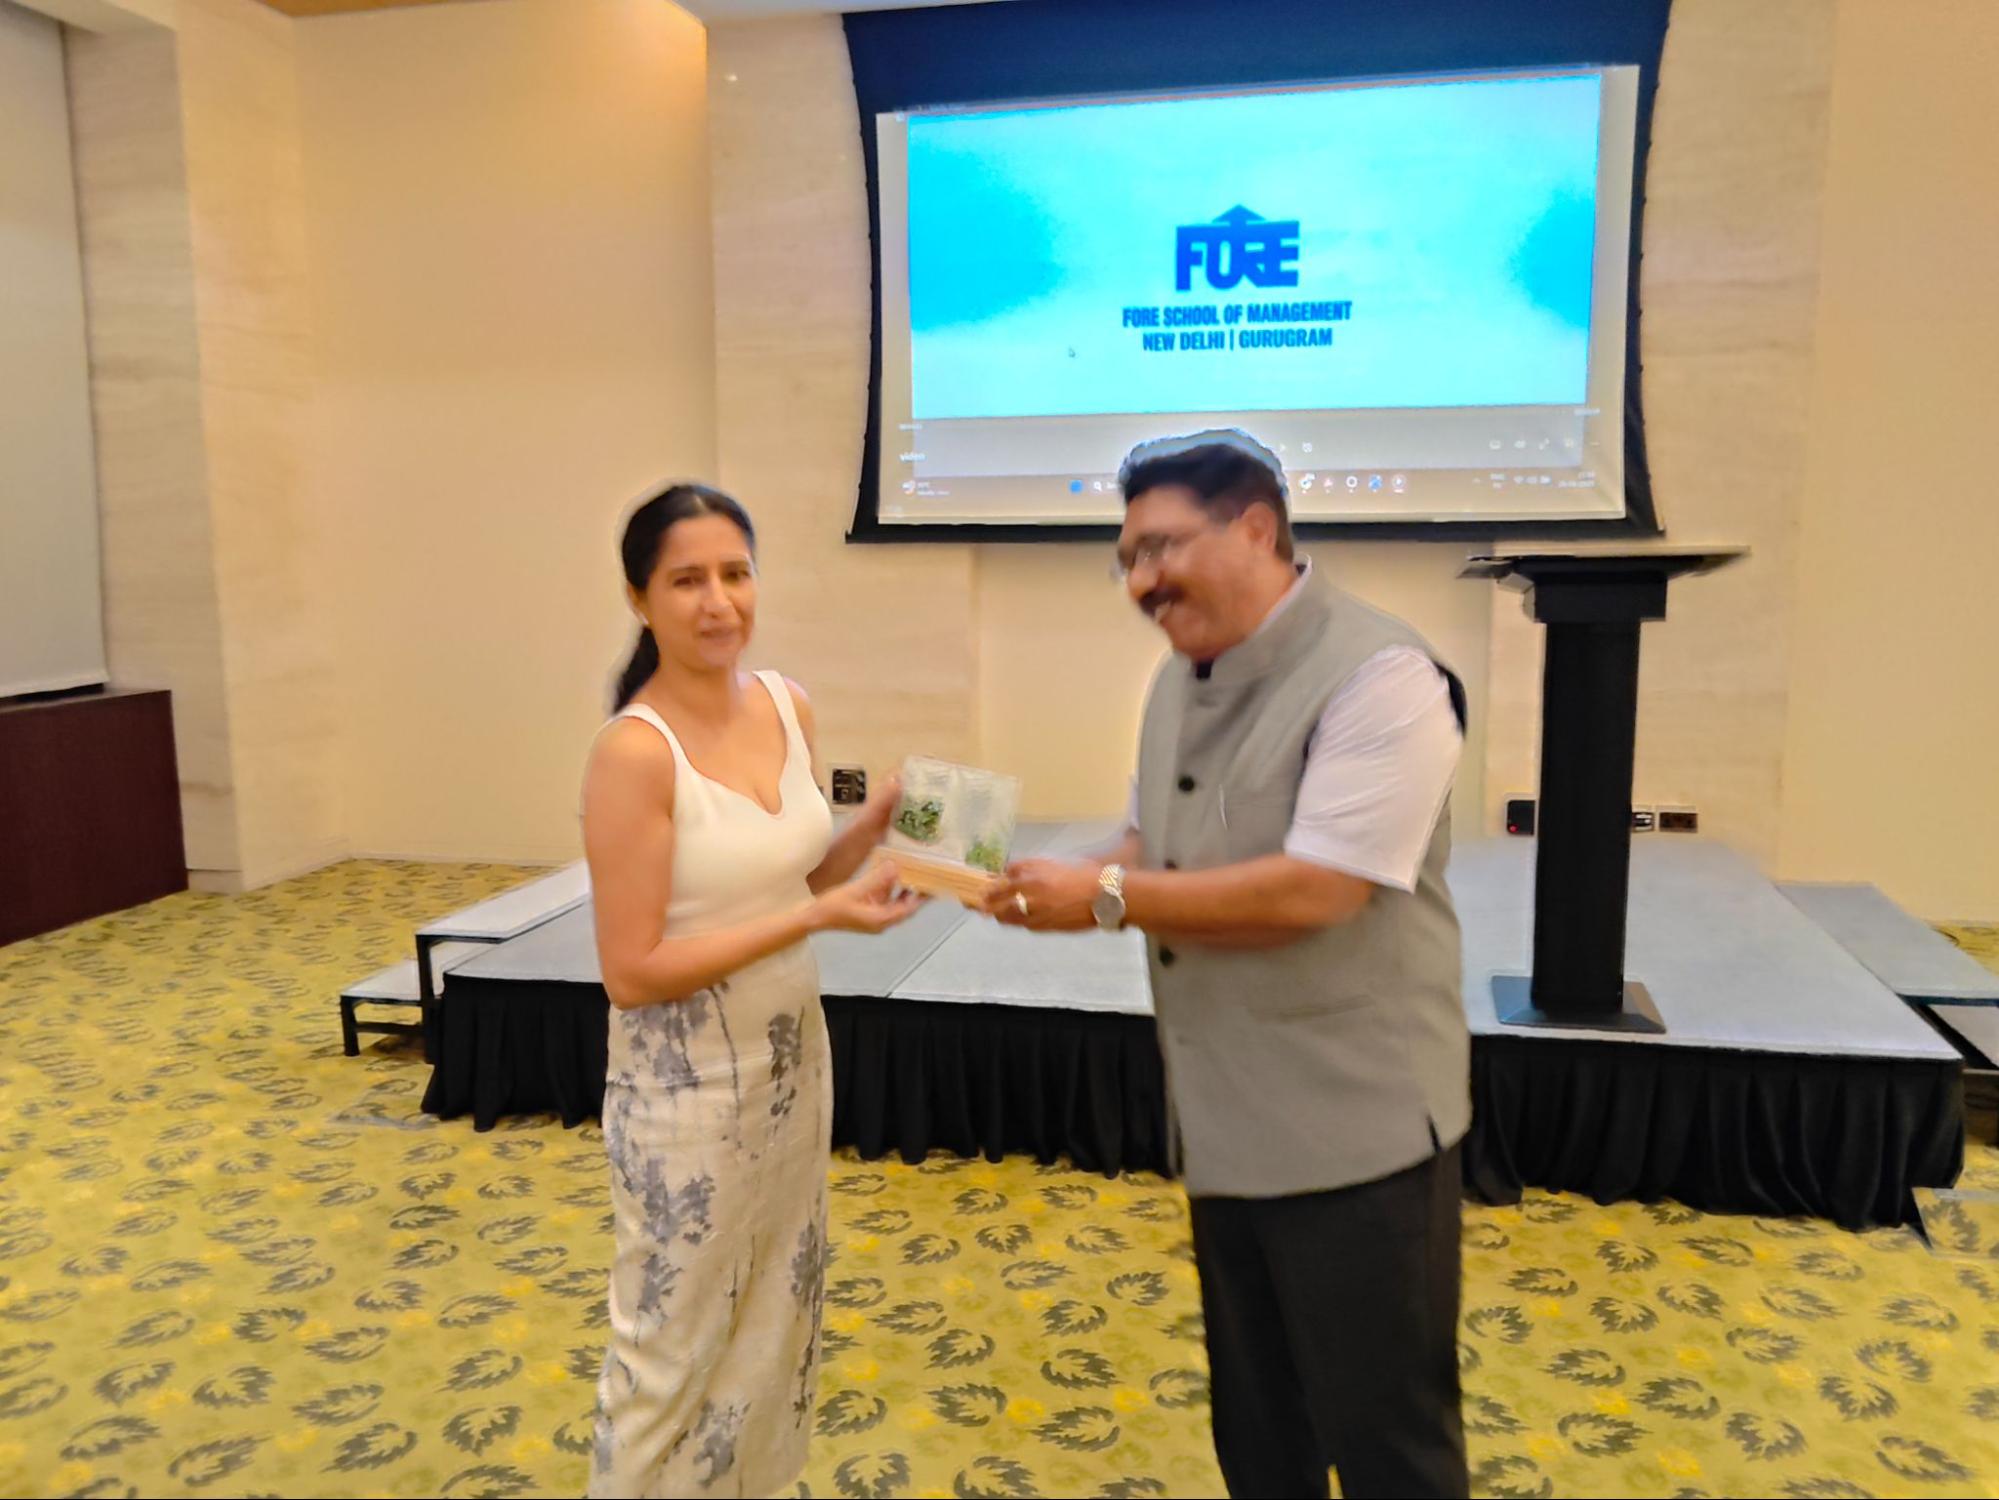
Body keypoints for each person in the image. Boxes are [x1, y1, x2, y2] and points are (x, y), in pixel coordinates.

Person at [986, 432, 1472, 1499]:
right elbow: (1147, 847)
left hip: (1358, 1135)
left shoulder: (1385, 677)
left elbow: (1317, 891)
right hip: (1221, 1122)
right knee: (1261, 1436)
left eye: (1160, 547)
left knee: (1389, 1443)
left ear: (1255, 528)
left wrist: (1103, 896)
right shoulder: (1176, 681)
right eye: (1126, 559)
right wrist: (1048, 880)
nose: (1141, 582)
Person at [580, 483, 921, 1498]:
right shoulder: (634, 752)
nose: (718, 600)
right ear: (640, 598)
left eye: (736, 573)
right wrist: (818, 919)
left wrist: (874, 830)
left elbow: (795, 879)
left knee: (778, 1312)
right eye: (687, 580)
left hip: (788, 1065)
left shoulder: (785, 703)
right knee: (670, 1347)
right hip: (682, 1092)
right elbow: (632, 971)